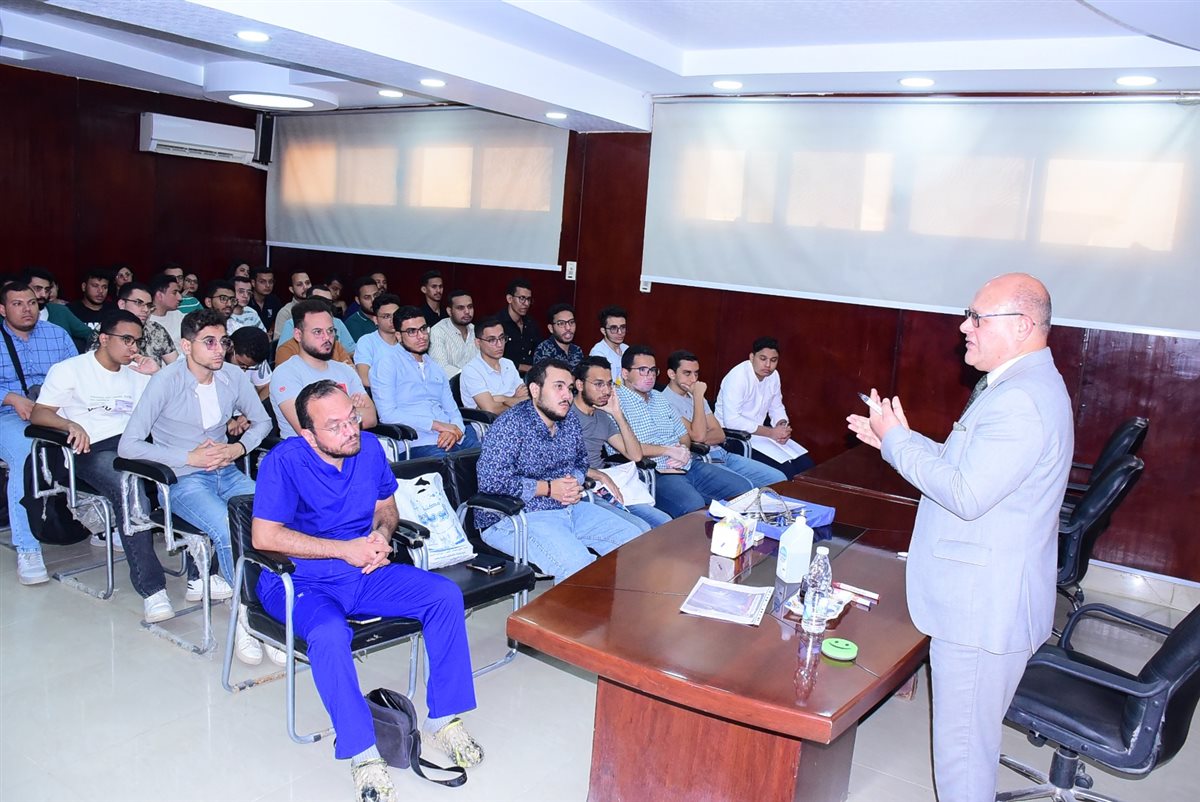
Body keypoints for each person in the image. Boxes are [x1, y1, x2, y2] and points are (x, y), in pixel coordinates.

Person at [846, 273, 1073, 802]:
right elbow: (972, 467)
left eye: (976, 317)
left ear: (1021, 326)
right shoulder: (1023, 385)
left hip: (981, 607)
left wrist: (898, 442)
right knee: (968, 746)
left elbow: (966, 493)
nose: (963, 327)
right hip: (988, 596)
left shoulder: (1020, 399)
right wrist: (896, 440)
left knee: (963, 758)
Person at [252, 380, 483, 799]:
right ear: (308, 435)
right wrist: (345, 549)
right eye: (335, 426)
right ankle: (362, 751)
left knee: (443, 596)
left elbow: (385, 507)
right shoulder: (284, 462)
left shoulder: (370, 448)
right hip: (300, 580)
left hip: (363, 570)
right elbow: (264, 536)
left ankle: (443, 718)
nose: (350, 431)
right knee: (329, 633)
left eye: (352, 418)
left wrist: (381, 536)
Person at [118, 309, 272, 663]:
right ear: (186, 346)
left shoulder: (232, 376)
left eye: (223, 341)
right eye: (209, 342)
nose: (219, 349)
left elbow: (263, 421)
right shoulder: (166, 381)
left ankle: (269, 605)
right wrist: (189, 457)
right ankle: (249, 617)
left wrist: (238, 447)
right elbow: (129, 445)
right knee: (229, 529)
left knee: (270, 518)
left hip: (227, 471)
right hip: (183, 480)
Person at [30, 310, 177, 621]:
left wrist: (157, 374)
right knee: (129, 488)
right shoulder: (70, 370)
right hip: (91, 449)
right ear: (104, 338)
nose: (133, 348)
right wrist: (69, 424)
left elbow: (174, 408)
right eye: (127, 340)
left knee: (191, 470)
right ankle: (152, 589)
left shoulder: (138, 372)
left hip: (134, 444)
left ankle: (202, 575)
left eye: (137, 341)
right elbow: (39, 413)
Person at [476, 359, 646, 582]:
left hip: (568, 507)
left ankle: (619, 600)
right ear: (535, 390)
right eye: (558, 387)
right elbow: (491, 481)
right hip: (515, 517)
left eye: (569, 388)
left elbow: (580, 463)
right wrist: (548, 488)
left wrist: (571, 483)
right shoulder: (510, 425)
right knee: (579, 566)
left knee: (634, 540)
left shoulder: (568, 421)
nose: (567, 395)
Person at [0, 282, 79, 585]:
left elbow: (78, 375)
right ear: (3, 309)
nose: (27, 309)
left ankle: (100, 523)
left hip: (56, 411)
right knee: (27, 454)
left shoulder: (56, 334)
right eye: (17, 304)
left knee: (97, 440)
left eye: (31, 303)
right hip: (8, 415)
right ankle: (28, 547)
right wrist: (10, 398)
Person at [617, 345, 752, 518]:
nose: (649, 375)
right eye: (642, 370)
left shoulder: (659, 398)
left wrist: (682, 451)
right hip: (652, 472)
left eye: (652, 370)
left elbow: (684, 436)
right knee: (694, 507)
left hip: (685, 463)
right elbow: (627, 447)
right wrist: (668, 451)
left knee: (743, 489)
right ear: (625, 373)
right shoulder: (616, 403)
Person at [662, 350, 787, 489]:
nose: (693, 379)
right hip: (701, 459)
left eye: (696, 373)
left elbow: (719, 434)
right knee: (746, 487)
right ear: (672, 374)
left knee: (779, 479)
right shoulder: (665, 401)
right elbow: (698, 436)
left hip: (722, 454)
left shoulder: (695, 394)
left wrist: (700, 433)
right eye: (687, 373)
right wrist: (698, 397)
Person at [571, 357, 671, 529]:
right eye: (599, 384)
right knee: (640, 528)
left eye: (609, 384)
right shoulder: (565, 415)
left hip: (606, 486)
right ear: (580, 385)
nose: (606, 391)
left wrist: (617, 414)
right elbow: (561, 464)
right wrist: (600, 475)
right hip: (582, 487)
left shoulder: (603, 416)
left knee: (665, 522)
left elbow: (635, 455)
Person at [372, 306, 479, 458]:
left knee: (489, 455)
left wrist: (456, 431)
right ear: (398, 336)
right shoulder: (386, 364)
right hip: (416, 442)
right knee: (450, 464)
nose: (421, 336)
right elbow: (388, 414)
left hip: (452, 437)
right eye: (412, 331)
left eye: (423, 329)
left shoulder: (435, 367)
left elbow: (452, 410)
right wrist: (437, 425)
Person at [271, 301, 377, 439]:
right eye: (317, 332)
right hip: (305, 449)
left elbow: (371, 418)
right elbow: (307, 427)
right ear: (298, 335)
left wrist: (327, 415)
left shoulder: (345, 370)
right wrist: (350, 408)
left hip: (352, 443)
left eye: (330, 331)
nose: (327, 338)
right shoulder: (285, 374)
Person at [715, 336, 814, 479]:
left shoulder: (773, 376)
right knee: (787, 471)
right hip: (733, 438)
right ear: (752, 357)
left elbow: (776, 406)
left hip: (761, 434)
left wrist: (782, 426)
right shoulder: (738, 377)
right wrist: (771, 432)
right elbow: (732, 421)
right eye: (763, 359)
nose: (768, 365)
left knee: (806, 466)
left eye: (773, 360)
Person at [90, 281, 178, 367]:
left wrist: (157, 373)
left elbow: (176, 366)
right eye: (138, 303)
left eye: (148, 305)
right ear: (122, 304)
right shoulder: (105, 330)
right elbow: (95, 367)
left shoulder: (156, 329)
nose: (146, 310)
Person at [459, 317, 527, 413]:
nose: (499, 344)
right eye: (491, 340)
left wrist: (503, 399)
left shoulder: (508, 363)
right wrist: (515, 399)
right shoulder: (471, 371)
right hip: (490, 422)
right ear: (478, 343)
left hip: (518, 415)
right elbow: (491, 410)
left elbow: (527, 396)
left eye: (502, 338)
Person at [20, 267, 93, 352]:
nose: (43, 294)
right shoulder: (14, 314)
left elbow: (91, 335)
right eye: (38, 288)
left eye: (47, 290)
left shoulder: (60, 311)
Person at [274, 286, 356, 357]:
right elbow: (283, 354)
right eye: (321, 301)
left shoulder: (337, 322)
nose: (325, 305)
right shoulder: (293, 323)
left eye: (329, 302)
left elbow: (352, 352)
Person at [353, 293, 402, 389]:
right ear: (376, 320)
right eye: (386, 316)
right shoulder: (366, 342)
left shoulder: (408, 339)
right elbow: (365, 379)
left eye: (396, 315)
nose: (392, 320)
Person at [427, 290, 477, 379]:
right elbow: (441, 367)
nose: (467, 311)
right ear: (449, 311)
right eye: (460, 308)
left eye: (470, 307)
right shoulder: (438, 331)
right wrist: (470, 378)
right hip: (451, 385)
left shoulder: (475, 330)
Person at [497, 279, 537, 373]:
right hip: (504, 374)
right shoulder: (497, 324)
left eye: (529, 299)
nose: (526, 304)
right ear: (509, 299)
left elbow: (538, 349)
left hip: (531, 376)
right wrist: (524, 367)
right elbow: (493, 357)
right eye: (522, 298)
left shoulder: (531, 323)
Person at [531, 303, 583, 369]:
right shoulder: (544, 350)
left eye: (571, 322)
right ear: (551, 328)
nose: (568, 328)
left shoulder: (577, 350)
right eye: (561, 323)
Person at [228, 326, 272, 402]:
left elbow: (266, 386)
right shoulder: (215, 360)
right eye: (241, 364)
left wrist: (256, 406)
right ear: (230, 348)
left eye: (250, 367)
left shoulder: (257, 355)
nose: (244, 370)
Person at [67, 267, 114, 332]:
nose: (100, 291)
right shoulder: (70, 311)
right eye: (95, 286)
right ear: (84, 287)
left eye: (104, 287)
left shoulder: (114, 311)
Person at [589, 305, 628, 382]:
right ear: (603, 331)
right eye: (613, 328)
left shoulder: (626, 349)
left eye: (622, 327)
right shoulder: (598, 353)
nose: (620, 332)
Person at [147, 272, 185, 347]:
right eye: (174, 293)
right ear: (160, 295)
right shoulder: (146, 320)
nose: (180, 298)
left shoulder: (179, 315)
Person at [273, 270, 313, 339]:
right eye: (299, 284)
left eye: (307, 283)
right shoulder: (286, 312)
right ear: (291, 289)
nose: (305, 287)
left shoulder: (319, 307)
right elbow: (279, 342)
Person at [344, 275, 380, 342]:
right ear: (358, 300)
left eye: (376, 295)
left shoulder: (387, 316)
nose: (373, 300)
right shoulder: (352, 323)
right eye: (367, 297)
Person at [248, 265, 282, 333]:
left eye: (270, 282)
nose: (268, 285)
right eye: (262, 282)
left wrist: (272, 330)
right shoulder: (247, 300)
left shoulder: (274, 300)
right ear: (253, 283)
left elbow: (278, 320)